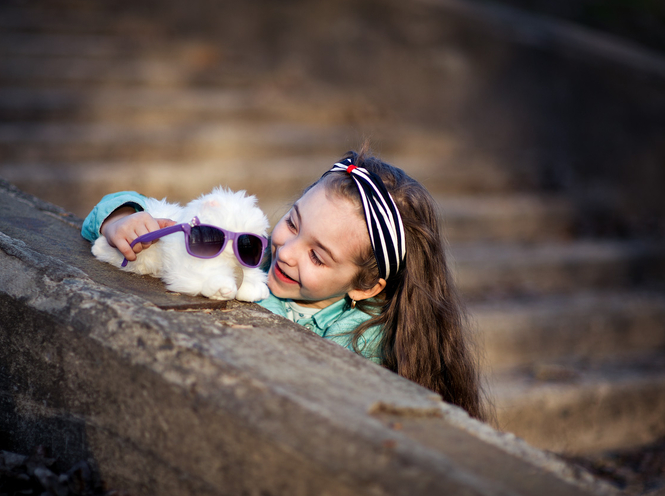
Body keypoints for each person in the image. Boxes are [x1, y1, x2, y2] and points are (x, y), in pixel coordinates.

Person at [81, 147, 486, 420]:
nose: (288, 251)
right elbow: (163, 219)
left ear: (366, 286)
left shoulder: (362, 341)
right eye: (293, 222)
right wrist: (124, 219)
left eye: (317, 256)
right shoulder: (252, 253)